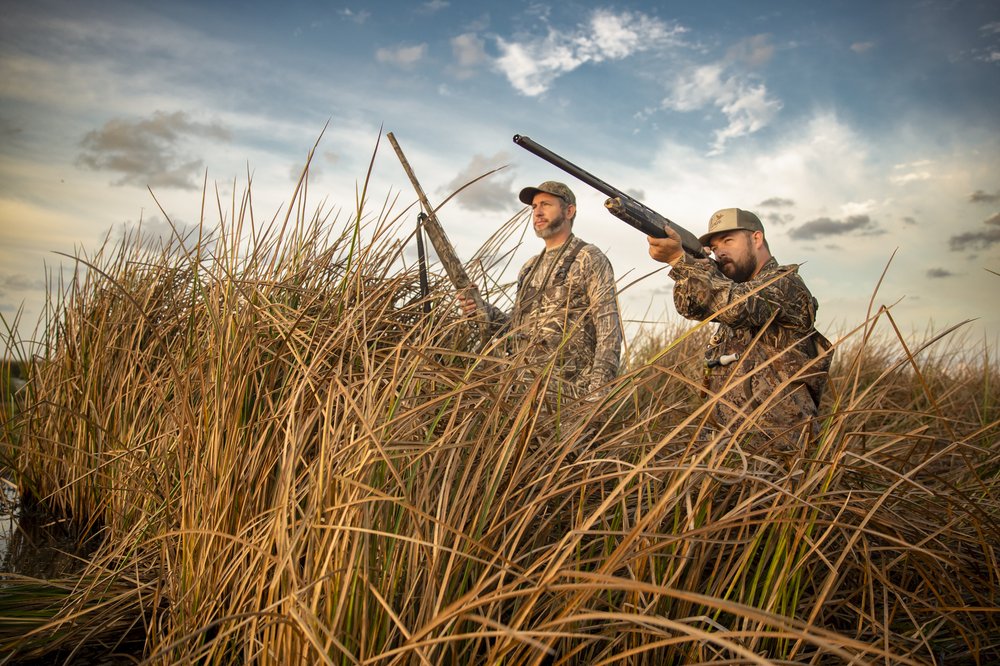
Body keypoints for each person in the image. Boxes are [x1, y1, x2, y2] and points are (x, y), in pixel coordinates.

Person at [647, 207, 831, 449]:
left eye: (728, 241)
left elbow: (736, 306)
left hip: (779, 445)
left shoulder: (785, 283)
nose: (719, 252)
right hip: (729, 443)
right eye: (713, 247)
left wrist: (679, 261)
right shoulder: (733, 287)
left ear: (757, 238)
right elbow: (690, 306)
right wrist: (695, 265)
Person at [459, 181, 622, 402]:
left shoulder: (589, 258)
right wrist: (481, 309)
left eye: (546, 204)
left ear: (569, 211)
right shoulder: (528, 267)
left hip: (570, 399)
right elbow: (516, 331)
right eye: (534, 207)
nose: (538, 212)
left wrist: (596, 398)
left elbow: (609, 333)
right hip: (522, 396)